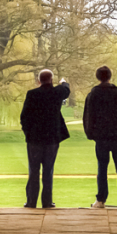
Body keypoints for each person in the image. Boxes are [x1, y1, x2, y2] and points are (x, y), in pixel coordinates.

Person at [83, 65, 117, 209]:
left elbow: (88, 116)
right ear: (110, 76)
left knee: (102, 168)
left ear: (98, 77)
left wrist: (91, 133)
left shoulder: (93, 94)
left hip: (101, 137)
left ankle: (101, 200)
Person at [20, 69, 70, 209]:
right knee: (48, 170)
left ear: (39, 81)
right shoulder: (57, 93)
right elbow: (66, 89)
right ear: (52, 80)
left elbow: (24, 117)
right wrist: (64, 82)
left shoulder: (32, 94)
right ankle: (47, 202)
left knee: (33, 170)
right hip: (52, 139)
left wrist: (28, 134)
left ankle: (31, 201)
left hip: (35, 139)